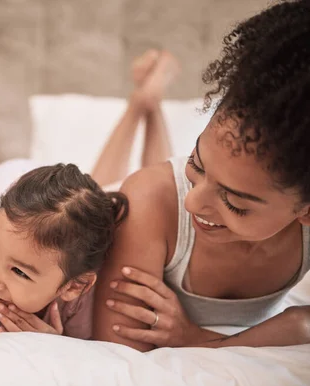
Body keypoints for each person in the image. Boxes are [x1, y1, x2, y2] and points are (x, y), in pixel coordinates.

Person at [93, 0, 310, 350]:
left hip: (158, 208)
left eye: (235, 202)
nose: (193, 201)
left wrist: (193, 338)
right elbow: (121, 350)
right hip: (130, 202)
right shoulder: (151, 198)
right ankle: (141, 105)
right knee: (107, 190)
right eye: (196, 163)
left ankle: (152, 106)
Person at [0, 50, 179, 340]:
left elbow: (95, 359)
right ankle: (138, 104)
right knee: (96, 194)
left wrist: (58, 347)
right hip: (12, 185)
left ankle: (147, 104)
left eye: (20, 272)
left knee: (145, 202)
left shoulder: (85, 300)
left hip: (55, 212)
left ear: (74, 287)